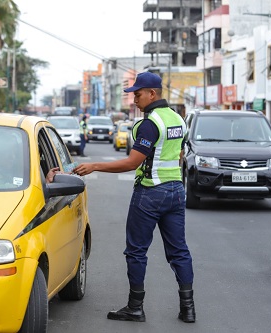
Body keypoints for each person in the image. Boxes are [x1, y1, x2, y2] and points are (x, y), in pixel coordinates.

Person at [72, 72, 195, 323]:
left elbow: (132, 162)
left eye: (138, 95)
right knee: (179, 251)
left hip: (150, 192)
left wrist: (95, 166)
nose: (134, 100)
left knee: (136, 251)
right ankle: (188, 308)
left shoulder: (151, 123)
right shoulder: (178, 119)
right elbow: (179, 155)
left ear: (152, 94)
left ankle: (135, 307)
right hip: (175, 192)